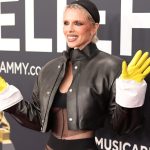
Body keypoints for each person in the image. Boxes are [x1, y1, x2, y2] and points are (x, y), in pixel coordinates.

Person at [0, 0, 150, 150]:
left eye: (78, 23)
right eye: (66, 23)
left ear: (94, 27)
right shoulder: (50, 68)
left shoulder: (111, 67)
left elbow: (122, 127)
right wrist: (8, 98)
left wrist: (130, 95)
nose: (69, 29)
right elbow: (38, 120)